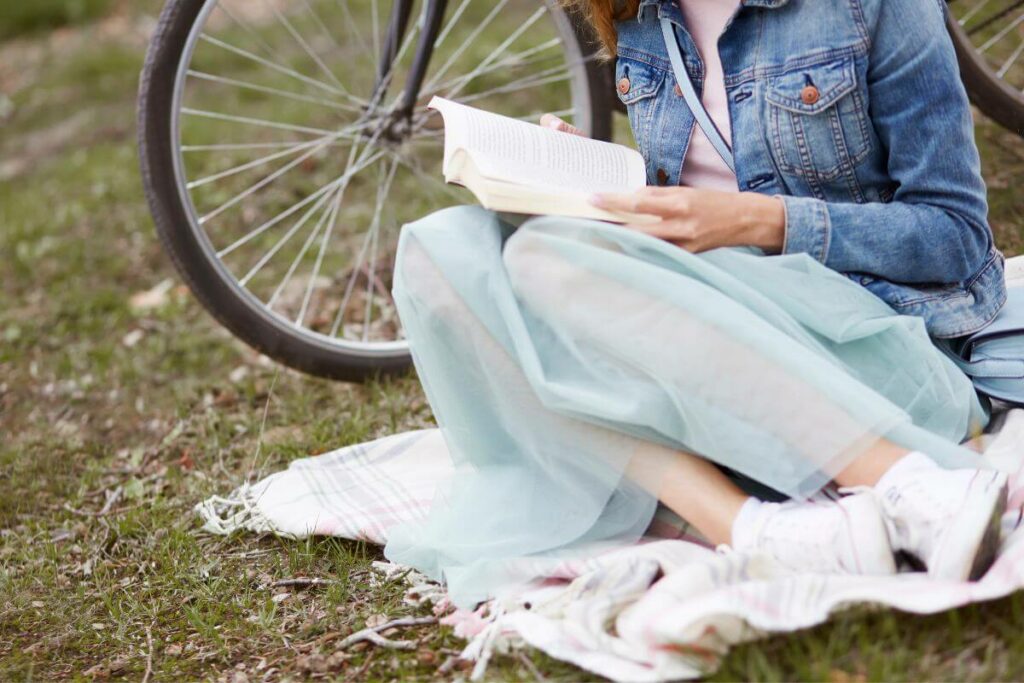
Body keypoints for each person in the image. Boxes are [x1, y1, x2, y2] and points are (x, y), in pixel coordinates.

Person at [382, 0, 1011, 608]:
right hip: (716, 345)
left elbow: (953, 235)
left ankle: (907, 483)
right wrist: (584, 182)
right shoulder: (640, 12)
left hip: (866, 348)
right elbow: (687, 196)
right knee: (442, 252)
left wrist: (758, 221)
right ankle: (759, 531)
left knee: (542, 259)